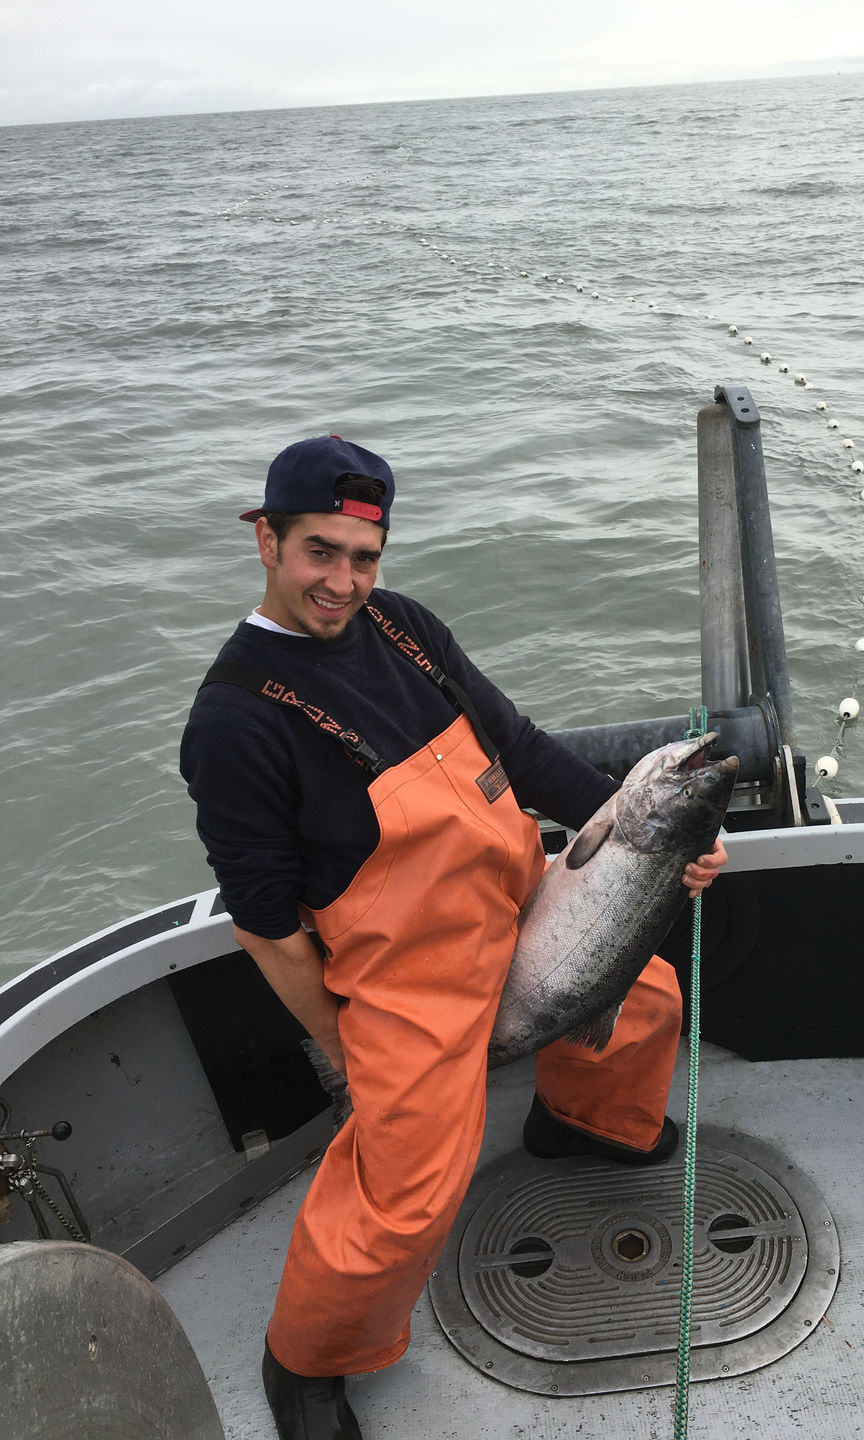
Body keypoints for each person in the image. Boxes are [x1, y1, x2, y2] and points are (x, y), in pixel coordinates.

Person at [180, 436, 726, 1440]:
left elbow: (521, 751)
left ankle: (583, 1123)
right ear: (266, 540)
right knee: (408, 1192)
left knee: (646, 1000)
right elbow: (264, 925)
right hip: (408, 976)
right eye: (318, 552)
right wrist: (344, 1044)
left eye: (364, 557)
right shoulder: (234, 722)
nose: (343, 583)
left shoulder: (404, 627)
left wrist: (643, 842)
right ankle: (306, 1361)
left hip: (513, 900)